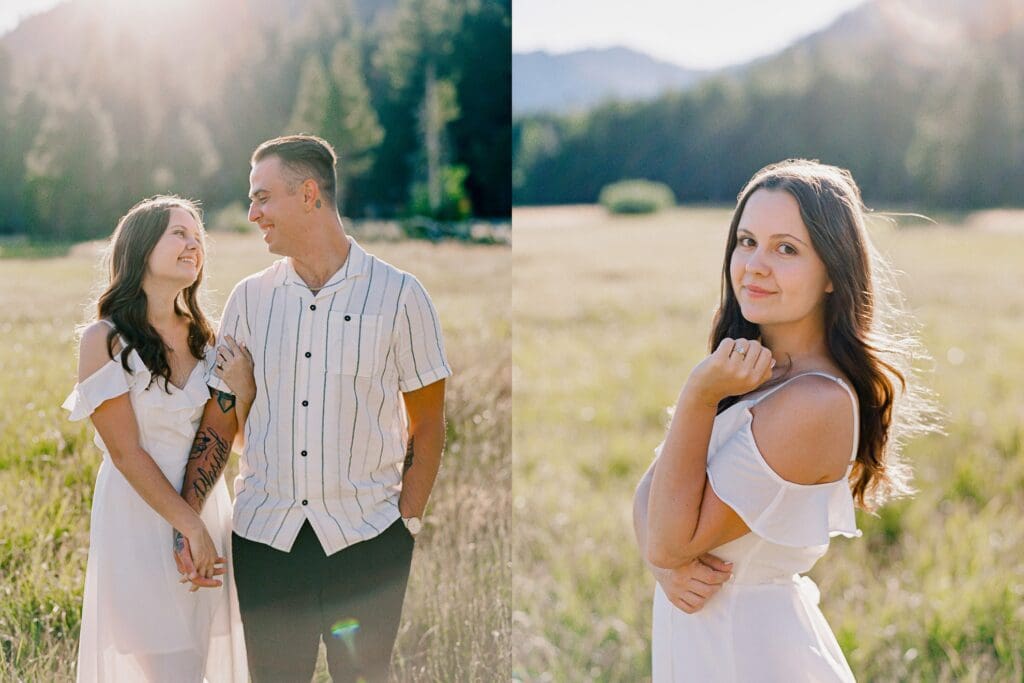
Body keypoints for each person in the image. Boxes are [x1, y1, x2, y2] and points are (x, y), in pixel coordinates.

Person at [633, 159, 934, 681]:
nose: (754, 264)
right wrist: (664, 564)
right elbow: (650, 497)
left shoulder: (813, 403)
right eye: (746, 241)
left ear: (831, 276)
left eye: (786, 248)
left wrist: (697, 397)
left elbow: (665, 533)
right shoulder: (756, 375)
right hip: (712, 643)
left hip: (754, 654)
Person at [174, 134, 451, 682]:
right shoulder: (249, 299)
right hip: (267, 542)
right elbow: (220, 418)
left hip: (368, 544)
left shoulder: (401, 295)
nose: (252, 214)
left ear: (308, 194)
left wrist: (407, 523)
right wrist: (188, 520)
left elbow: (429, 421)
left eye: (262, 198)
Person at [62, 196, 249, 682]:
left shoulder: (210, 343)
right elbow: (125, 452)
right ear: (142, 248)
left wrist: (244, 390)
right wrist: (189, 527)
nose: (194, 245)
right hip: (138, 518)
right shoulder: (104, 340)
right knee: (170, 667)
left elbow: (228, 439)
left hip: (206, 506)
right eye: (178, 234)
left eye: (197, 237)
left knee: (197, 664)